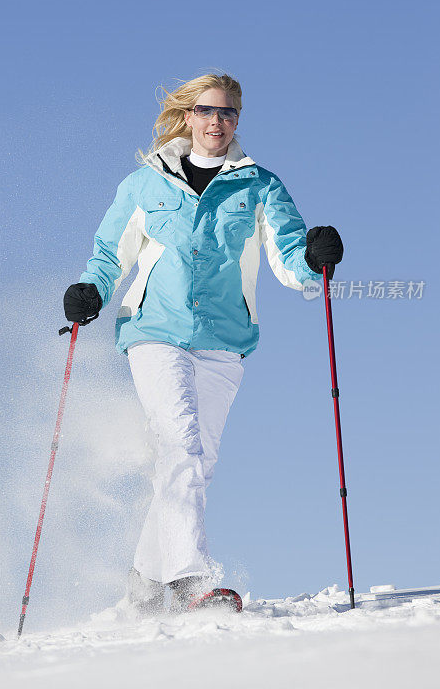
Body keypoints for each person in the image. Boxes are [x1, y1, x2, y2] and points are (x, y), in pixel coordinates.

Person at [63, 73, 343, 614]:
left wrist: (313, 258)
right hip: (155, 332)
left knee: (196, 459)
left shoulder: (259, 185)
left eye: (230, 113)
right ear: (188, 115)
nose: (219, 122)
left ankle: (145, 583)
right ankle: (190, 582)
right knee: (181, 448)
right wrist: (90, 291)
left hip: (224, 339)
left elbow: (289, 255)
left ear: (238, 120)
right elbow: (107, 253)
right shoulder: (144, 184)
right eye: (209, 111)